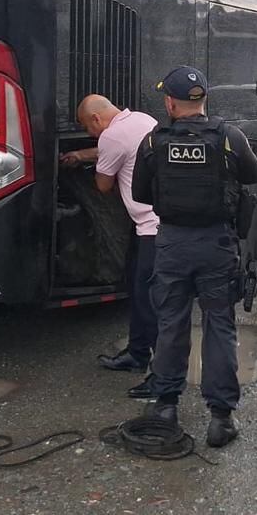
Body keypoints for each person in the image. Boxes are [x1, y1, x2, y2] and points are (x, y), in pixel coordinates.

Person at [132, 65, 257, 447]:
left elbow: (141, 194)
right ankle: (220, 418)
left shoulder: (153, 141)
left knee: (171, 323)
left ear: (169, 103)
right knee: (219, 326)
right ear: (204, 100)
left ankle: (166, 406)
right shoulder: (229, 138)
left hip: (171, 244)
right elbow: (251, 176)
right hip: (216, 245)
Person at [60, 95, 161, 398]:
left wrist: (83, 164)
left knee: (149, 300)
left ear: (95, 120)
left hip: (153, 229)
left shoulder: (112, 136)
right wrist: (82, 154)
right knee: (135, 286)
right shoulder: (143, 120)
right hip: (153, 224)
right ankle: (137, 352)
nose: (90, 133)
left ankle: (160, 375)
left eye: (86, 127)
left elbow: (104, 185)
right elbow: (115, 150)